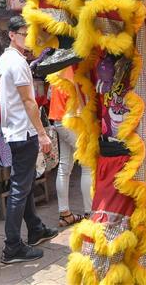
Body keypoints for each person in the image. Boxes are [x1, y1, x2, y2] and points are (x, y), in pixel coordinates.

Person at [0, 16, 57, 263]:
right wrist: (42, 133)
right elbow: (28, 101)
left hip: (15, 131)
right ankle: (12, 246)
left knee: (25, 182)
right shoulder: (16, 62)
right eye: (23, 33)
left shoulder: (7, 59)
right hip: (23, 132)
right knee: (20, 187)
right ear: (12, 34)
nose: (28, 38)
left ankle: (35, 228)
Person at [47, 67, 92, 227]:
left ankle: (65, 213)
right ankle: (90, 212)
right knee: (87, 164)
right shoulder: (72, 69)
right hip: (72, 120)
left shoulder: (57, 68)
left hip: (59, 120)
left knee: (65, 166)